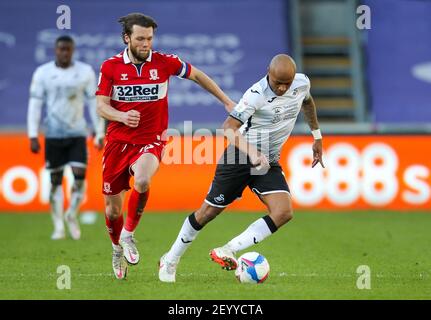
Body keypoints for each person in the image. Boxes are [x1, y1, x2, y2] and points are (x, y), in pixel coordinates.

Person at [158, 54, 325, 282]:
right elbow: (228, 128)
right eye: (278, 83)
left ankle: (228, 249)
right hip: (240, 156)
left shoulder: (302, 83)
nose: (283, 88)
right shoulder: (255, 95)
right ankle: (171, 258)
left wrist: (316, 135)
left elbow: (307, 101)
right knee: (207, 213)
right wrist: (254, 154)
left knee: (283, 212)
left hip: (268, 159)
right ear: (268, 72)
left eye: (287, 83)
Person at [96, 13, 235, 280]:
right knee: (112, 209)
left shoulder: (164, 62)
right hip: (117, 143)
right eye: (140, 38)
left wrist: (226, 101)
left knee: (143, 179)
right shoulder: (110, 67)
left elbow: (196, 75)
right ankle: (116, 248)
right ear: (127, 38)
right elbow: (101, 106)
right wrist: (121, 116)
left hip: (151, 140)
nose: (145, 43)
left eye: (149, 38)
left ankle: (129, 235)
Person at [27, 35, 105, 240]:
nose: (64, 52)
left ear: (73, 50)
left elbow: (93, 103)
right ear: (55, 50)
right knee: (55, 181)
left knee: (79, 177)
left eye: (68, 49)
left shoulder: (84, 72)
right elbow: (35, 105)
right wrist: (33, 134)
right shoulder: (43, 73)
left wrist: (99, 131)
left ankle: (71, 214)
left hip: (77, 133)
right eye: (61, 49)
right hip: (53, 134)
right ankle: (59, 226)